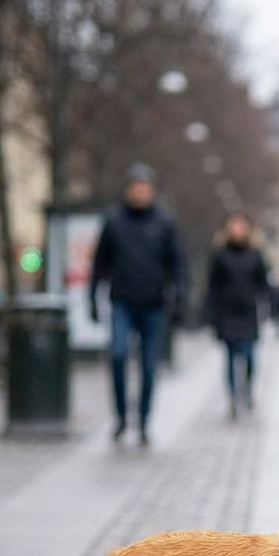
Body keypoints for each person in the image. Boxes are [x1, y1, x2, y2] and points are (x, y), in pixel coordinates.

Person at [90, 163, 185, 445]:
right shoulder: (114, 220)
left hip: (153, 304)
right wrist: (92, 297)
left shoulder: (164, 223)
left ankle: (143, 419)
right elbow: (99, 262)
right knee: (118, 355)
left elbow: (176, 265)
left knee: (148, 365)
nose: (141, 193)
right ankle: (121, 416)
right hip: (121, 300)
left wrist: (178, 297)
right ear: (129, 190)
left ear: (152, 191)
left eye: (145, 188)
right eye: (136, 188)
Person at [205, 211, 269, 418]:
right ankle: (233, 397)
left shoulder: (255, 254)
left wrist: (268, 308)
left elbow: (262, 283)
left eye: (240, 225)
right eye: (233, 225)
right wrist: (211, 314)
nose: (236, 229)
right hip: (227, 314)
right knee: (231, 358)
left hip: (248, 314)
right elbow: (212, 286)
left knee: (249, 357)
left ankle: (247, 390)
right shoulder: (220, 255)